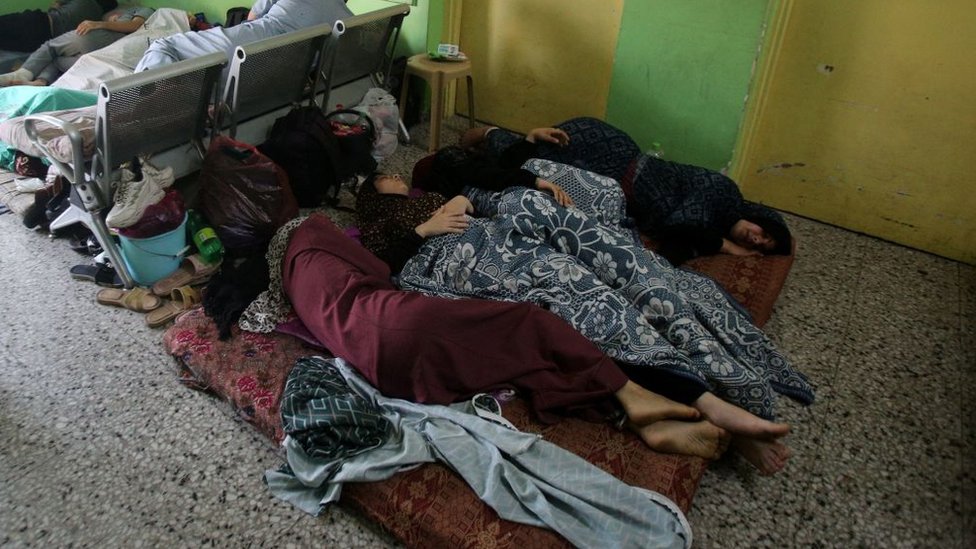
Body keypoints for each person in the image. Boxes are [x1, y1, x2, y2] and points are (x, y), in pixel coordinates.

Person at [354, 170, 813, 474]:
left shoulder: (431, 194)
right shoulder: (377, 220)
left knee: (609, 276)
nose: (399, 177)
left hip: (496, 233)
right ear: (372, 193)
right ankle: (703, 399)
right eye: (388, 178)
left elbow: (478, 191)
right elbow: (378, 265)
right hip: (454, 259)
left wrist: (461, 200)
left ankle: (711, 390)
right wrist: (425, 230)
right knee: (572, 294)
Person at [239, 213, 731, 461]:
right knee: (529, 322)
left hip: (379, 361)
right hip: (400, 326)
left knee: (515, 360)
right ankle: (632, 391)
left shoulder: (293, 280)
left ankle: (627, 417)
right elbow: (381, 269)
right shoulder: (313, 235)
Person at [461, 118, 793, 264]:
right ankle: (485, 134)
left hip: (610, 182)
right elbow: (681, 225)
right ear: (759, 217)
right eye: (763, 233)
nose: (755, 239)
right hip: (609, 156)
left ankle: (502, 142)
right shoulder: (725, 193)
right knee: (521, 162)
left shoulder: (713, 226)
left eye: (760, 246)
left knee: (526, 169)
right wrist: (728, 247)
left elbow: (674, 246)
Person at [134, 0, 352, 72]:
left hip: (245, 51)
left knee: (164, 47)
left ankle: (132, 110)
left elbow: (252, 17)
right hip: (282, 80)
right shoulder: (347, 20)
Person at [0, 5, 156, 88]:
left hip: (109, 37)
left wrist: (99, 24)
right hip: (103, 51)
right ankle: (41, 82)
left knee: (51, 46)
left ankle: (21, 74)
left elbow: (133, 25)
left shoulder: (147, 10)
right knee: (57, 60)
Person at [0, 0, 117, 53]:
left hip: (39, 21)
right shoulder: (97, 19)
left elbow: (55, 4)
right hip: (42, 40)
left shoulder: (83, 2)